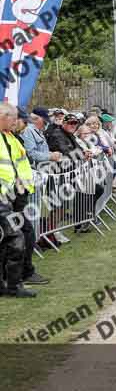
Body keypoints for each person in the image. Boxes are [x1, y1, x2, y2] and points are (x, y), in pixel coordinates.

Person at [0, 103, 39, 297]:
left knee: (8, 239)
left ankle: (6, 285)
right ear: (3, 116)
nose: (16, 122)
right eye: (13, 118)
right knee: (16, 238)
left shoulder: (9, 137)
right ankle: (15, 286)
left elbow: (17, 165)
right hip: (4, 197)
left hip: (14, 195)